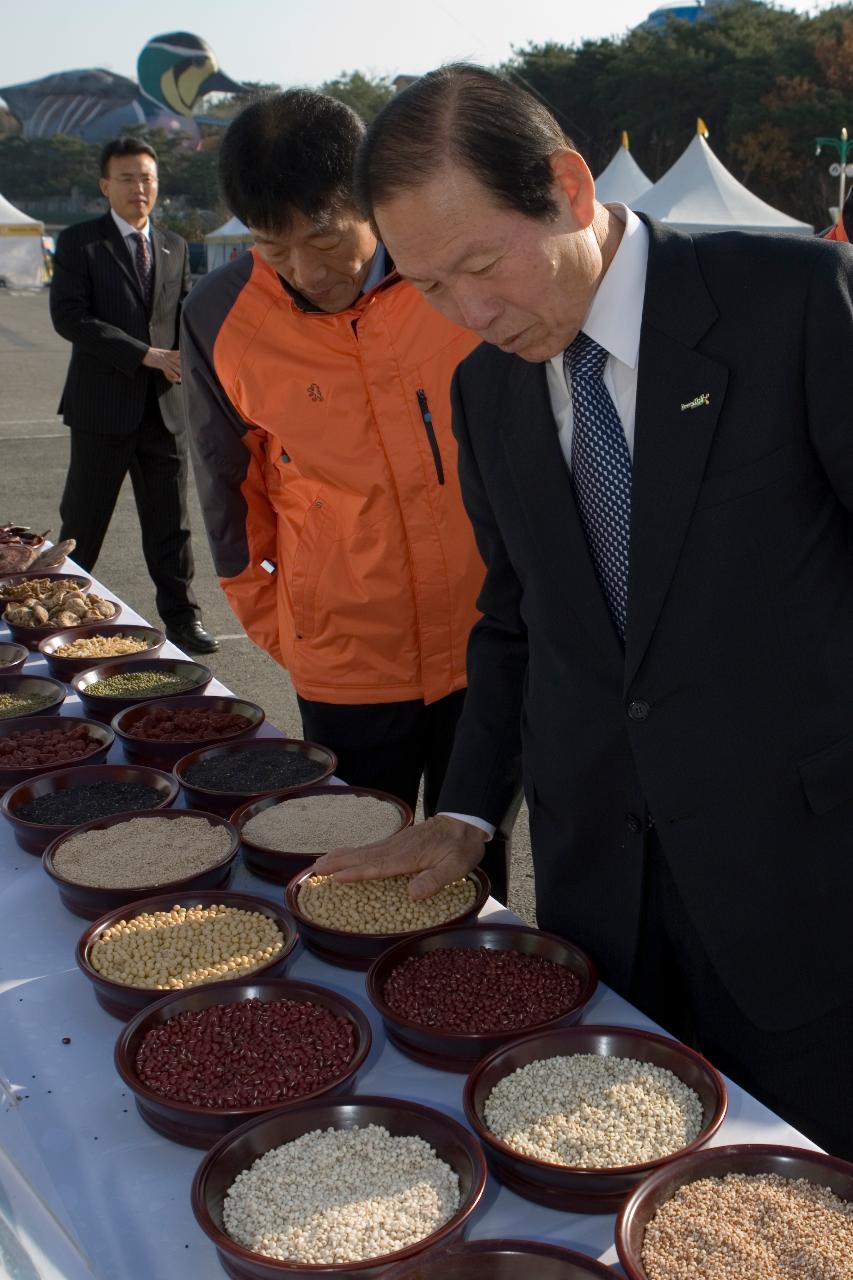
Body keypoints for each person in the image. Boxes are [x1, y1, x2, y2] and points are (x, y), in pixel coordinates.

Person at [316, 65, 853, 1157]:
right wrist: (465, 812)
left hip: (801, 887)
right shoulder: (486, 387)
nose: (468, 312)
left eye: (478, 263)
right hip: (600, 898)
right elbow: (518, 620)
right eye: (425, 285)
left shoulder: (792, 299)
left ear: (567, 186)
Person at [181, 91, 515, 900]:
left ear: (366, 196)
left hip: (490, 637)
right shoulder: (218, 314)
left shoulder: (453, 281)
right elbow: (228, 494)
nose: (306, 272)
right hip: (345, 657)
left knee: (476, 854)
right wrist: (290, 627)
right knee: (357, 863)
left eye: (323, 238)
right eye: (273, 248)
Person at [49, 137, 217, 654]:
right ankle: (57, 610)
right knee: (84, 519)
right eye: (126, 178)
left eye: (146, 178)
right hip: (102, 407)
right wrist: (145, 353)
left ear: (157, 185)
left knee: (172, 524)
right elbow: (71, 317)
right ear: (105, 186)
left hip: (165, 411)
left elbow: (185, 313)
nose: (138, 188)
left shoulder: (173, 245)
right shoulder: (81, 242)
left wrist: (194, 357)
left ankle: (183, 619)